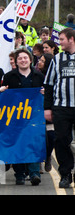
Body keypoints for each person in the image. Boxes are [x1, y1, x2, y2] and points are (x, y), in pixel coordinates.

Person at [0, 49, 45, 185]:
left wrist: (44, 93)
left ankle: (34, 173)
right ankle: (19, 174)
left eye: (25, 58)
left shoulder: (39, 75)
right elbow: (3, 97)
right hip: (15, 117)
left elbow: (47, 92)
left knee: (33, 144)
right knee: (17, 145)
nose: (23, 60)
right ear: (16, 61)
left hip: (33, 117)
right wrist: (2, 91)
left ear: (30, 60)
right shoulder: (9, 76)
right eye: (20, 58)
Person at [43, 28, 75, 188]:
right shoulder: (57, 59)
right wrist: (47, 108)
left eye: (62, 39)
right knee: (61, 141)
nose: (59, 41)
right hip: (61, 107)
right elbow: (48, 84)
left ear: (71, 39)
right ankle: (66, 174)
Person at [37, 53, 55, 172]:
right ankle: (38, 161)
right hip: (36, 111)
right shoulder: (36, 75)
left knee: (51, 137)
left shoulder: (53, 75)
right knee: (38, 137)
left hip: (49, 110)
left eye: (42, 61)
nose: (39, 62)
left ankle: (48, 156)